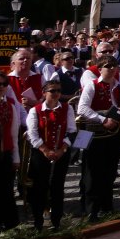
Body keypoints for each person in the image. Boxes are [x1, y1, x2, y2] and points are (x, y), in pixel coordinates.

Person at [76, 54, 120, 220]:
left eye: (114, 65)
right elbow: (82, 109)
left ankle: (107, 207)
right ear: (99, 69)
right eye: (108, 66)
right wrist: (103, 119)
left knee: (110, 172)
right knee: (92, 173)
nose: (112, 68)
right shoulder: (91, 86)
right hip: (94, 135)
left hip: (113, 135)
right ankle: (91, 210)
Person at [25, 77, 75, 229]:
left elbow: (72, 131)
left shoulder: (67, 108)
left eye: (59, 91)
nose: (56, 94)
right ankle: (38, 222)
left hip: (61, 153)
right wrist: (45, 150)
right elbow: (32, 134)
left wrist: (62, 149)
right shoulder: (35, 110)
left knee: (57, 187)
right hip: (40, 154)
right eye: (52, 91)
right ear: (44, 93)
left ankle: (56, 221)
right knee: (40, 187)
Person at [0, 73, 22, 231]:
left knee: (6, 191)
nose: (1, 87)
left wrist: (16, 157)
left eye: (4, 84)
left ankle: (10, 226)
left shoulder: (9, 106)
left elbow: (13, 133)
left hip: (5, 155)